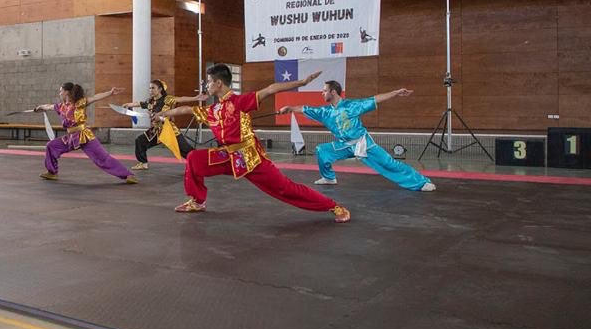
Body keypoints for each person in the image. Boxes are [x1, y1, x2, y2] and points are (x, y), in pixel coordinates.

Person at [155, 64, 351, 222]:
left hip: (250, 158)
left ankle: (333, 205)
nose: (206, 86)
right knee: (194, 159)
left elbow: (270, 89)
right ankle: (197, 201)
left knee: (285, 188)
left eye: (208, 82)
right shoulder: (213, 109)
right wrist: (163, 114)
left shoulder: (239, 102)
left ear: (219, 83)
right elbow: (187, 110)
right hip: (227, 155)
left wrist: (302, 81)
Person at [278, 81, 435, 192]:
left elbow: (374, 99)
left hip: (362, 142)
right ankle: (329, 178)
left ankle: (421, 183)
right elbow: (305, 108)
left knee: (389, 163)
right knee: (322, 150)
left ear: (333, 92)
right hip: (344, 145)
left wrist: (395, 93)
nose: (322, 93)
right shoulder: (325, 112)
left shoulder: (352, 106)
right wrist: (289, 108)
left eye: (324, 90)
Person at [36, 83, 136, 183]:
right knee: (51, 146)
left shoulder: (80, 102)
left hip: (84, 136)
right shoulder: (61, 106)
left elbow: (95, 97)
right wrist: (40, 107)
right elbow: (48, 106)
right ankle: (52, 172)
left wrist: (110, 92)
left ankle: (128, 175)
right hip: (71, 138)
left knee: (102, 158)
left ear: (66, 92)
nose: (59, 93)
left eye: (60, 91)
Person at [122, 80, 198, 170]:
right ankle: (143, 163)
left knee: (184, 149)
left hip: (169, 129)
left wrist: (195, 98)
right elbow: (139, 103)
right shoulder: (150, 101)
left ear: (160, 89)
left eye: (153, 88)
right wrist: (128, 104)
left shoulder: (167, 99)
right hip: (156, 130)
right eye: (150, 88)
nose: (150, 90)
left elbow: (180, 98)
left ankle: (199, 162)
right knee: (140, 141)